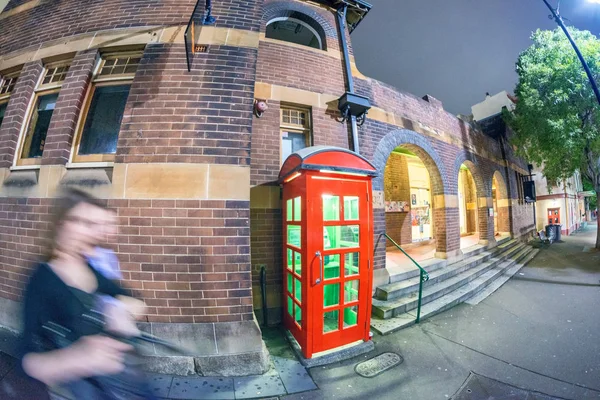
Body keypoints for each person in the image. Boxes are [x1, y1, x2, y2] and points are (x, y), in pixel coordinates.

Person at [19, 188, 149, 399]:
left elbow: (129, 296)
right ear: (61, 223)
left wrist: (124, 311)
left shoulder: (88, 267)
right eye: (84, 223)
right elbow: (27, 361)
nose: (94, 233)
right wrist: (76, 359)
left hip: (114, 384)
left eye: (94, 226)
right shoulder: (41, 278)